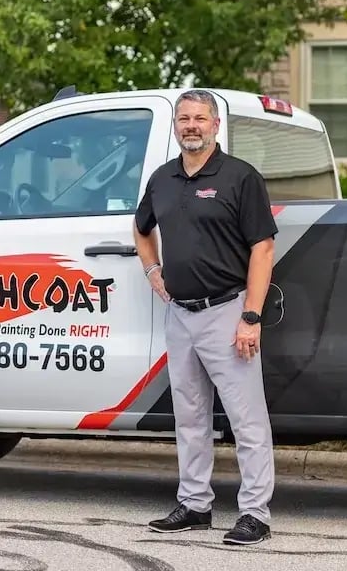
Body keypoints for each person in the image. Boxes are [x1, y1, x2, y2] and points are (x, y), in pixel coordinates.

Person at [132, 89, 277, 546]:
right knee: (190, 417)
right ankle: (195, 504)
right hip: (180, 316)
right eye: (184, 119)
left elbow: (263, 248)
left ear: (216, 125)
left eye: (200, 118)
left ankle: (255, 514)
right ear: (176, 126)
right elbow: (141, 228)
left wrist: (251, 316)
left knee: (246, 420)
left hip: (227, 312)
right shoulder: (162, 179)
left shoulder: (240, 177)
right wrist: (153, 270)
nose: (191, 126)